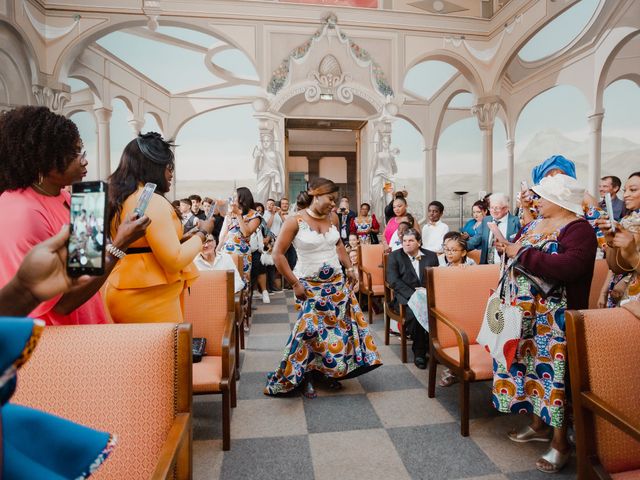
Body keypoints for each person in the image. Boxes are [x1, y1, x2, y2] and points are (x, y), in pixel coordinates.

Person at [0, 105, 149, 326]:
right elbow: (62, 304)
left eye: (83, 152)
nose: (84, 160)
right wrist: (120, 244)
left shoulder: (71, 198)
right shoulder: (22, 213)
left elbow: (86, 273)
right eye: (74, 153)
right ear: (43, 158)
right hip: (58, 346)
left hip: (89, 326)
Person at [492, 174, 597, 474]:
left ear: (560, 201)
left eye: (542, 197)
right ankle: (538, 424)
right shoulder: (537, 224)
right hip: (526, 317)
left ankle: (560, 443)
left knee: (555, 379)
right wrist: (508, 249)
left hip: (556, 322)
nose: (536, 201)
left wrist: (521, 252)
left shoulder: (579, 230)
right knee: (530, 369)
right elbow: (519, 250)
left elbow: (571, 267)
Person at [264, 177, 382, 398]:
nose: (334, 204)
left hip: (336, 284)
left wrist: (349, 268)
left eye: (335, 200)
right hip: (308, 285)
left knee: (333, 331)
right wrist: (294, 283)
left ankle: (324, 372)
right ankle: (305, 376)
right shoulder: (294, 221)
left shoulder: (333, 217)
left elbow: (337, 243)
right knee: (309, 332)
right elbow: (277, 254)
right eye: (330, 198)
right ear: (315, 194)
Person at [105, 132, 214, 324]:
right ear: (153, 167)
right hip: (149, 298)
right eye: (168, 167)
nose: (171, 173)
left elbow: (147, 245)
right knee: (167, 353)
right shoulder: (153, 202)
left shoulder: (120, 199)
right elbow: (174, 259)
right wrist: (203, 233)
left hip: (125, 289)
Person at [386, 228, 438, 369]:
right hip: (405, 298)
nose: (407, 244)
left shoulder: (431, 256)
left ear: (419, 242)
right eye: (404, 241)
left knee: (440, 313)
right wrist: (413, 294)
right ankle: (419, 351)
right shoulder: (395, 256)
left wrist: (426, 292)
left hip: (428, 296)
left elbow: (436, 277)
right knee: (415, 315)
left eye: (411, 241)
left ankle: (436, 347)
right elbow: (392, 280)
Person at [596, 172, 640, 308]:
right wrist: (611, 242)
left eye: (633, 190)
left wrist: (632, 255)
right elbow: (616, 267)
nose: (626, 195)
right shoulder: (628, 219)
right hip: (626, 293)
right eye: (625, 190)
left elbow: (630, 263)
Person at [219, 187, 261, 329]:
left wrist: (238, 215)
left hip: (242, 254)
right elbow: (224, 234)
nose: (233, 200)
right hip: (227, 252)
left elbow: (246, 232)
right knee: (227, 282)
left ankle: (243, 318)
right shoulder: (229, 214)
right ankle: (229, 316)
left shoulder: (255, 215)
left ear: (243, 198)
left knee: (243, 284)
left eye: (235, 197)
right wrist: (218, 249)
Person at [466, 193, 520, 264]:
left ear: (506, 209)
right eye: (491, 207)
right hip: (487, 266)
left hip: (507, 265)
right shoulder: (486, 220)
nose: (494, 211)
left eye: (497, 208)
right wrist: (457, 247)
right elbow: (475, 240)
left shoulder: (516, 221)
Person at [370, 131, 399, 220]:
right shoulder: (377, 155)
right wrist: (370, 183)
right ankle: (378, 222)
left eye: (387, 142)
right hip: (378, 178)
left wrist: (393, 160)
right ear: (381, 143)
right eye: (384, 142)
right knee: (377, 201)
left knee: (389, 200)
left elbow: (395, 170)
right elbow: (372, 169)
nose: (385, 144)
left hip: (388, 180)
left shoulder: (391, 155)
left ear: (389, 143)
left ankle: (389, 221)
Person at [253, 131, 285, 203]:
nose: (266, 143)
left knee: (272, 198)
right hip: (262, 178)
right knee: (260, 197)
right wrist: (257, 157)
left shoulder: (277, 154)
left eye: (267, 141)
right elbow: (256, 169)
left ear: (271, 142)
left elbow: (281, 170)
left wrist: (281, 182)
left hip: (273, 177)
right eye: (264, 141)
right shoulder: (260, 153)